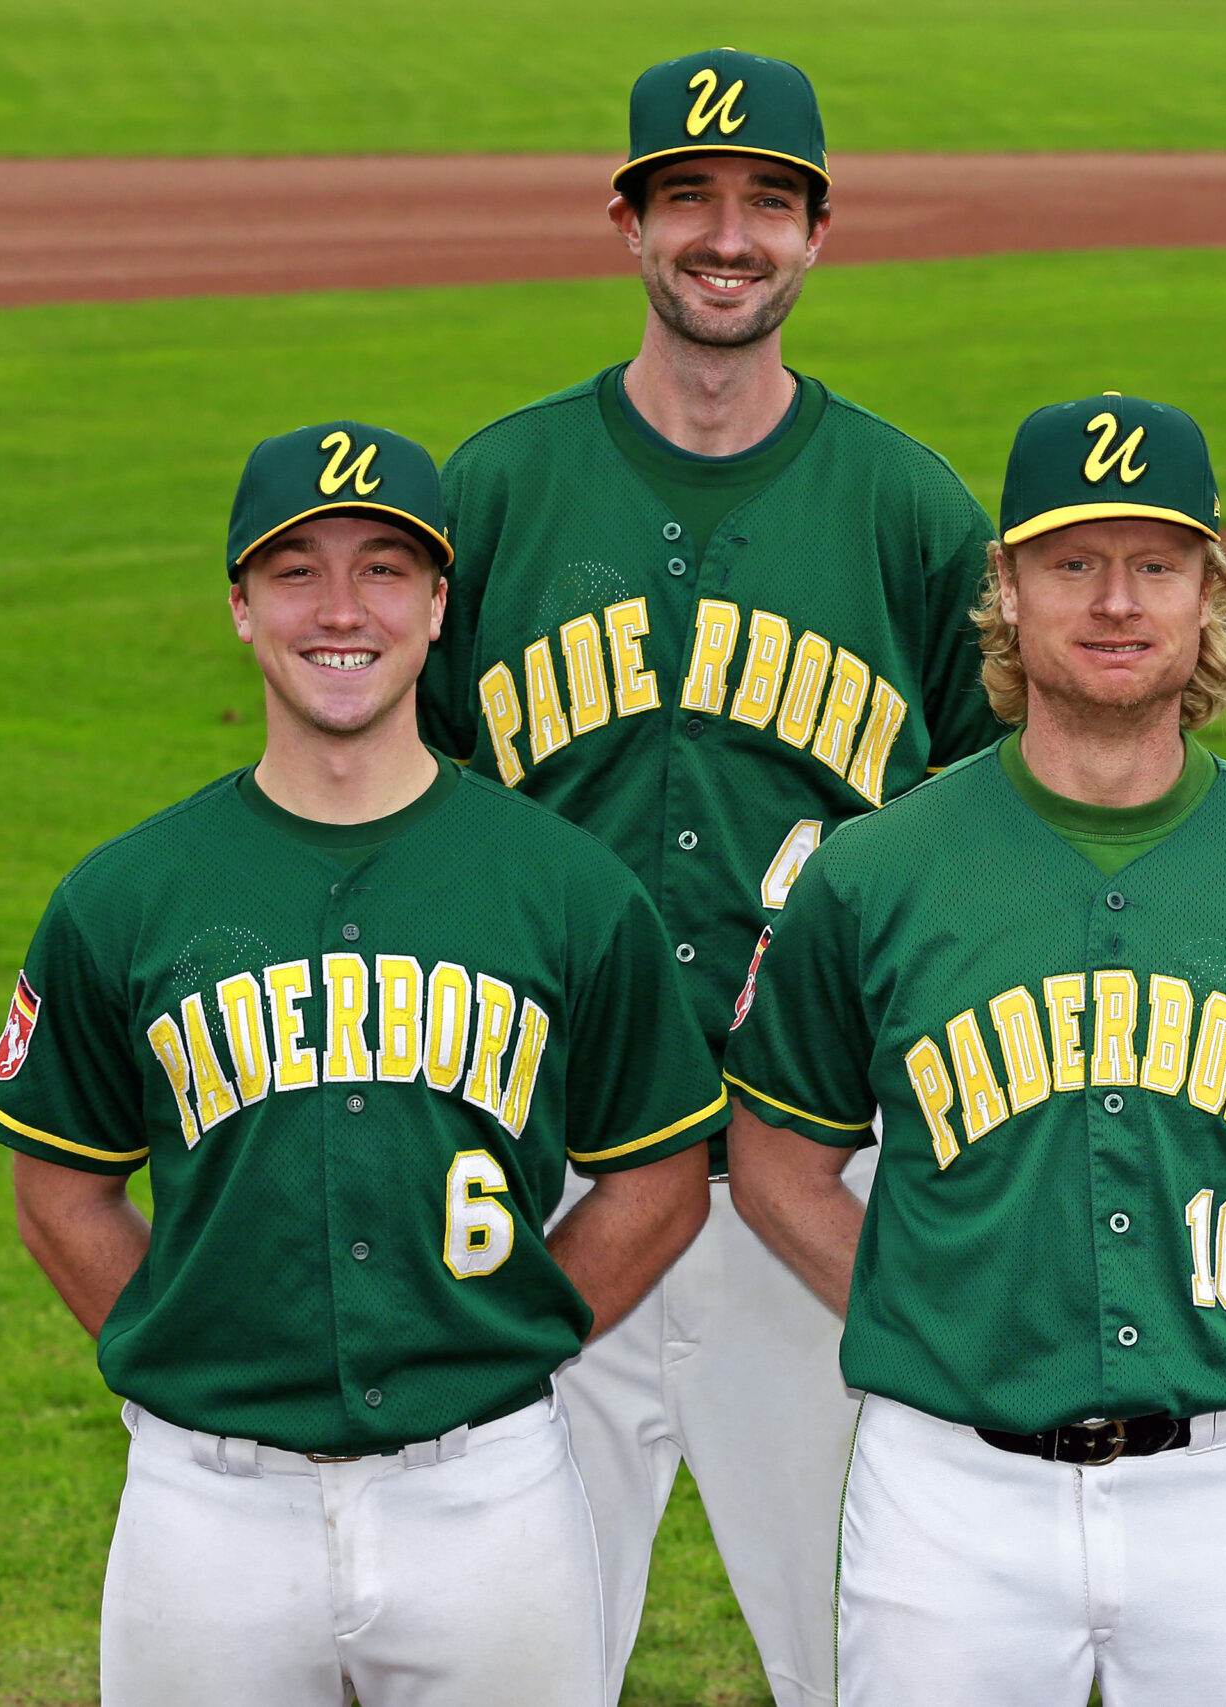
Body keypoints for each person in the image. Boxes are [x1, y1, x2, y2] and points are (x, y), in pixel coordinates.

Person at [414, 47, 1006, 1707]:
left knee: (872, 1652)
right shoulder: (500, 491)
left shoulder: (905, 508)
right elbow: (407, 809)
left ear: (818, 231)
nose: (727, 235)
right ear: (629, 220)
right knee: (501, 1655)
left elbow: (993, 835)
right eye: (689, 197)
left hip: (813, 1177)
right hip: (544, 1174)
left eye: (766, 201)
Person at [0, 421, 728, 1707]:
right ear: (240, 606)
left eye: (384, 569)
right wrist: (190, 1346)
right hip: (207, 1508)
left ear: (438, 606)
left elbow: (658, 1182)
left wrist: (511, 1332)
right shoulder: (127, 896)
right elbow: (59, 1190)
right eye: (296, 572)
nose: (341, 611)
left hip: (489, 1494)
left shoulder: (566, 888)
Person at [722, 394, 1226, 1705]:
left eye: (1155, 564)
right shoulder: (875, 874)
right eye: (1072, 563)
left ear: (1207, 590)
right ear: (1006, 586)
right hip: (948, 1491)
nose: (1115, 601)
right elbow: (774, 1160)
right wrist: (924, 1313)